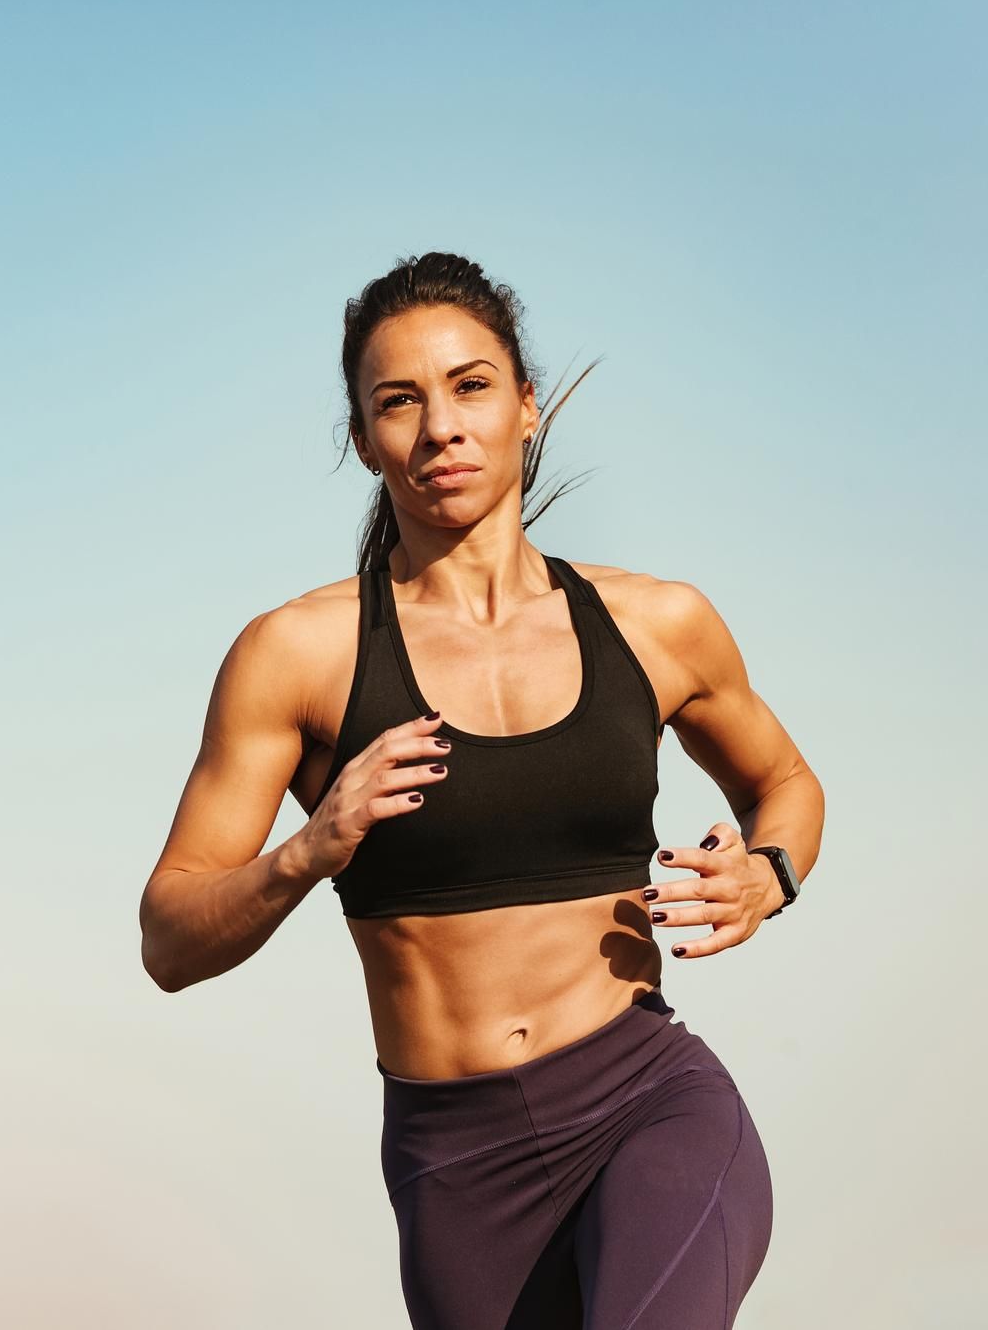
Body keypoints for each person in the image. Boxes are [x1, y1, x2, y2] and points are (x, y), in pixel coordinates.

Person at [137, 252, 825, 1329]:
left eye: (469, 386)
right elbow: (168, 942)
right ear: (362, 440)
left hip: (645, 1105)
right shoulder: (295, 655)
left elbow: (781, 780)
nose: (439, 427)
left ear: (526, 406)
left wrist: (769, 872)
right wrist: (305, 850)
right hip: (449, 1163)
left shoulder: (656, 623)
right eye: (397, 401)